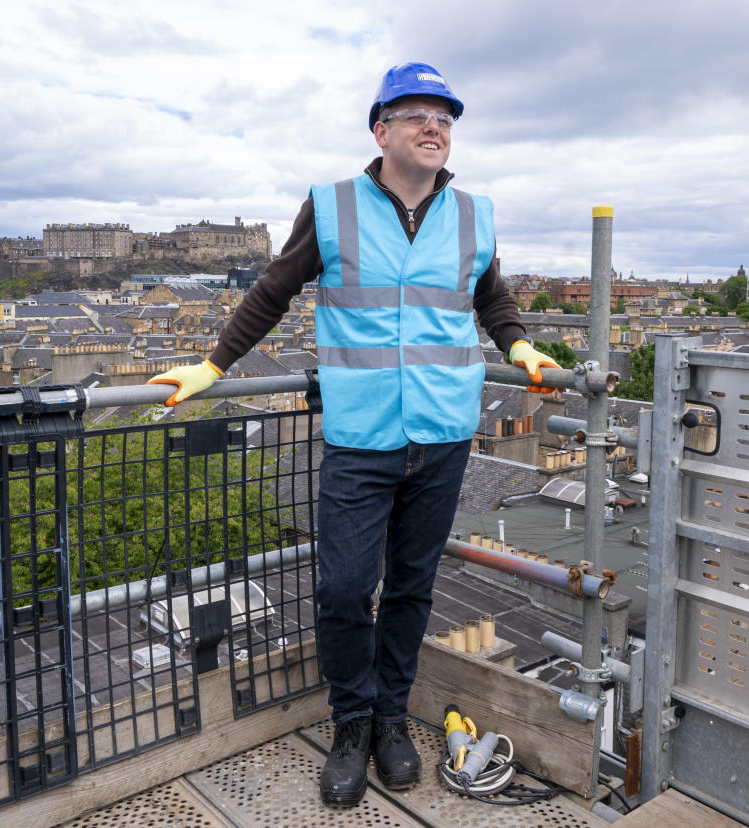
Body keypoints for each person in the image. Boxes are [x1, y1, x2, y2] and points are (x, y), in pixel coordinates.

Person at [148, 62, 559, 807]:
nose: (434, 127)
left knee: (412, 587)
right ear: (382, 130)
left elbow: (491, 297)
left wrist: (521, 346)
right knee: (342, 589)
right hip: (362, 435)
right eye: (417, 115)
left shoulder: (474, 212)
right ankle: (351, 723)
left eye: (445, 117)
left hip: (442, 432)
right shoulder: (332, 206)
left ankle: (392, 722)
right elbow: (273, 290)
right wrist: (211, 366)